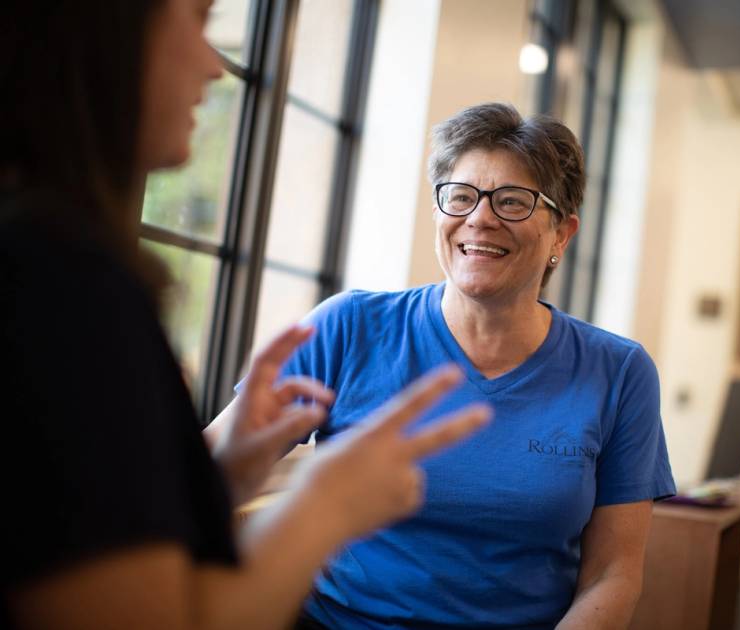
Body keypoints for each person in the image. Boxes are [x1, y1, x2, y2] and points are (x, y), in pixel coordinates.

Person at [0, 2, 490, 629]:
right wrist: (328, 502)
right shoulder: (60, 281)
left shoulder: (49, 259)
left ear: (563, 232)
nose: (214, 66)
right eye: (198, 20)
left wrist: (221, 477)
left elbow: (78, 520)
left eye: (511, 201)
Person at [212, 102, 676, 629]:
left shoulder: (619, 372)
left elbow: (612, 574)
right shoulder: (349, 327)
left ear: (562, 234)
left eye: (512, 201)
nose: (480, 217)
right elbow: (208, 471)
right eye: (460, 196)